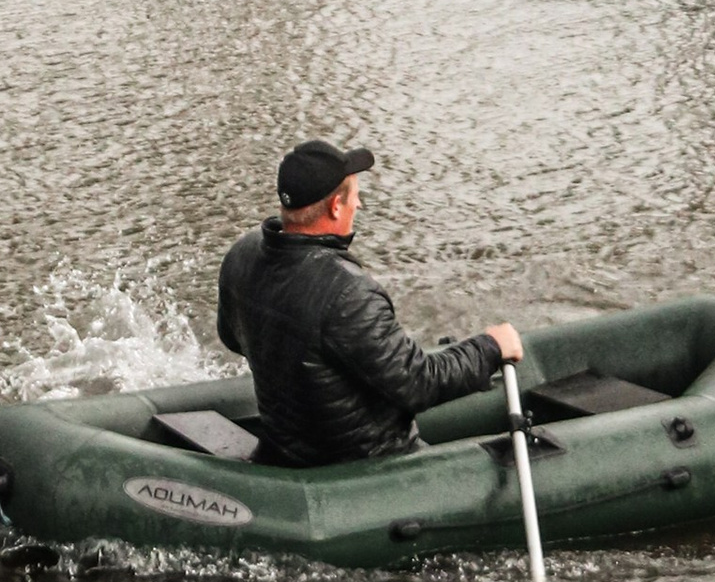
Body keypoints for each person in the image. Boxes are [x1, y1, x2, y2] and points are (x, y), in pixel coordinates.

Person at [215, 139, 523, 468]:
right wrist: (490, 346)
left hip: (287, 446)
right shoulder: (347, 293)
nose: (358, 204)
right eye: (355, 196)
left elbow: (231, 338)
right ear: (336, 206)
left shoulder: (242, 255)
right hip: (365, 465)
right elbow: (418, 383)